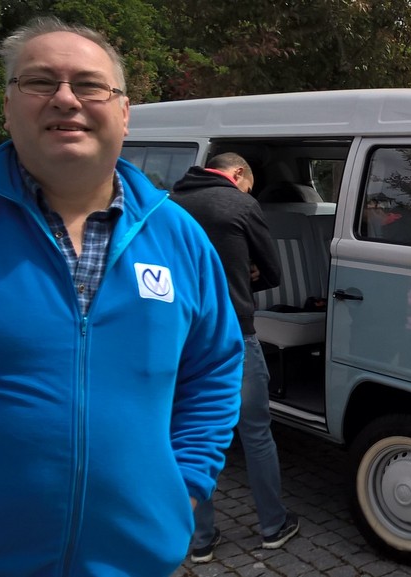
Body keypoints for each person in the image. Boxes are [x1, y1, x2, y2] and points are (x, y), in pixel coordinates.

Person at [0, 16, 243, 577]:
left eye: (89, 85)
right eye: (39, 82)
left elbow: (213, 369)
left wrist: (183, 490)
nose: (65, 99)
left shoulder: (179, 235)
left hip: (139, 560)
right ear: (9, 106)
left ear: (124, 113)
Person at [171, 153, 300, 562]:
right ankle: (272, 526)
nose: (250, 191)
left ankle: (202, 539)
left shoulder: (169, 204)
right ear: (238, 174)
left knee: (189, 435)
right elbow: (273, 273)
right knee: (256, 432)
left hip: (180, 339)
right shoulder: (241, 205)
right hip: (232, 336)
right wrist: (242, 275)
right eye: (249, 183)